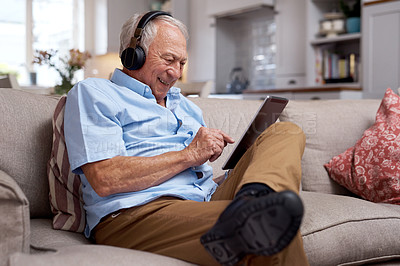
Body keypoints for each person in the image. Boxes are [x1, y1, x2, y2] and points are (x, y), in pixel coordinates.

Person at [64, 11, 309, 266]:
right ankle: (257, 214)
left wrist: (229, 174)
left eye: (182, 63)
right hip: (137, 214)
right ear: (132, 54)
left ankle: (255, 198)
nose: (175, 72)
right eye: (169, 59)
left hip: (204, 201)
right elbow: (105, 178)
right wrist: (190, 154)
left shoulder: (187, 107)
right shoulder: (94, 93)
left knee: (284, 131)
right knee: (276, 225)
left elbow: (192, 180)